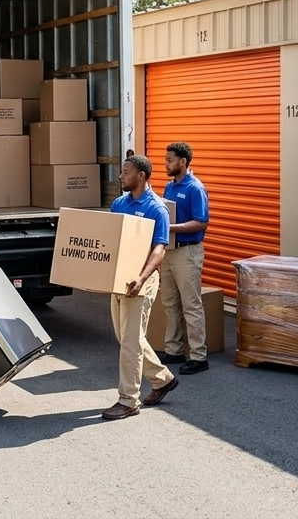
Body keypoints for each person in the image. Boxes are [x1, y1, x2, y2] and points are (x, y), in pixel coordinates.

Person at [101, 154, 178, 421]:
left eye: (125, 172)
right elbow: (109, 240)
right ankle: (163, 379)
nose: (121, 176)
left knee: (131, 343)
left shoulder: (157, 208)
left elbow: (159, 249)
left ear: (141, 176)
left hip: (141, 281)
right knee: (127, 338)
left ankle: (128, 400)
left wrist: (142, 279)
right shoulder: (119, 204)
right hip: (119, 280)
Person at [159, 141, 212, 374]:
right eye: (165, 159)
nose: (166, 164)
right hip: (169, 251)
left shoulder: (195, 188)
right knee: (170, 303)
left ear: (183, 162)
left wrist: (171, 227)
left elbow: (201, 221)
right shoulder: (169, 187)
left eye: (169, 160)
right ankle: (174, 350)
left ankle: (199, 356)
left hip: (188, 252)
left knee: (191, 305)